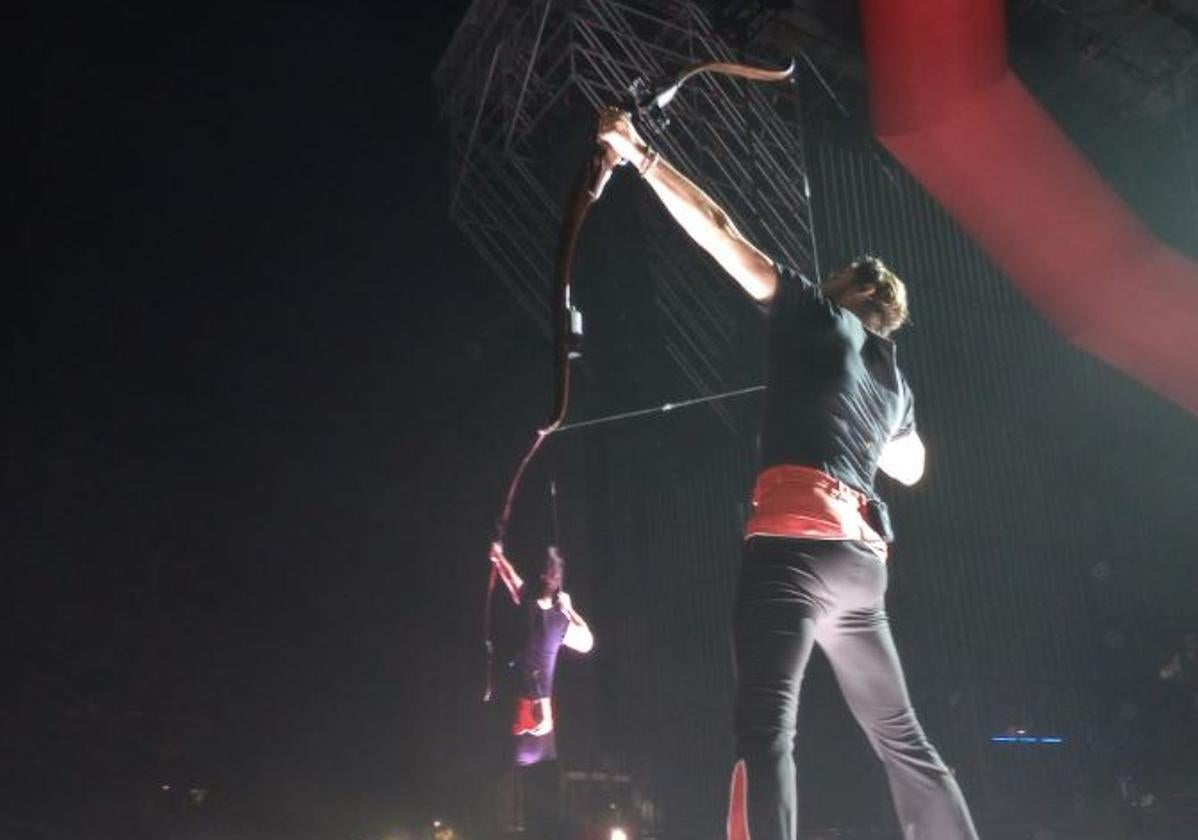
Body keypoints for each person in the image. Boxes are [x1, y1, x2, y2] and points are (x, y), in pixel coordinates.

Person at [597, 108, 978, 840]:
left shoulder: (814, 312)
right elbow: (913, 466)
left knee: (768, 733)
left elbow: (719, 229)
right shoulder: (894, 379)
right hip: (861, 569)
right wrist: (874, 420)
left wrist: (637, 153)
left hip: (793, 551)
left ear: (842, 290)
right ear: (888, 321)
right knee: (903, 741)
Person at [489, 541, 594, 766]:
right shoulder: (559, 619)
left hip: (526, 710)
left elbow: (511, 578)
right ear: (551, 579)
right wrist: (570, 609)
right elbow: (587, 642)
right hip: (539, 715)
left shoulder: (531, 604)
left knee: (515, 772)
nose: (556, 578)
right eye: (556, 574)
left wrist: (498, 557)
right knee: (532, 775)